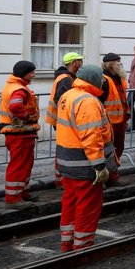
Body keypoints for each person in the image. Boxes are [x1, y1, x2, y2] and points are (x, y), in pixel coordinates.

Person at [55, 64, 117, 252]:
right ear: (93, 79)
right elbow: (91, 136)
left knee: (70, 202)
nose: (103, 82)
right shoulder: (88, 101)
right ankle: (82, 246)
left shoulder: (68, 96)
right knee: (87, 206)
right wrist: (99, 165)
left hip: (67, 162)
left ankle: (67, 243)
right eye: (101, 79)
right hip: (85, 165)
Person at [0, 61, 40, 208]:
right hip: (20, 133)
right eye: (31, 72)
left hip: (19, 133)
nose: (34, 75)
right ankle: (13, 199)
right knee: (19, 165)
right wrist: (27, 117)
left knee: (24, 164)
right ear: (24, 73)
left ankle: (22, 193)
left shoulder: (14, 86)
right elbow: (16, 106)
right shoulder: (19, 89)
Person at [45, 51, 84, 188]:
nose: (81, 63)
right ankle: (61, 179)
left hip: (62, 120)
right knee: (65, 149)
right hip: (64, 121)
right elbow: (62, 99)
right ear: (74, 63)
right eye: (80, 60)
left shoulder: (67, 77)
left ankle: (62, 179)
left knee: (64, 148)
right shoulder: (65, 78)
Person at [100, 53, 129, 185]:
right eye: (118, 62)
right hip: (109, 122)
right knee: (109, 151)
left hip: (120, 121)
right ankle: (111, 177)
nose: (120, 64)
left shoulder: (120, 79)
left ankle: (112, 174)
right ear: (110, 64)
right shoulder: (104, 80)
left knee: (118, 149)